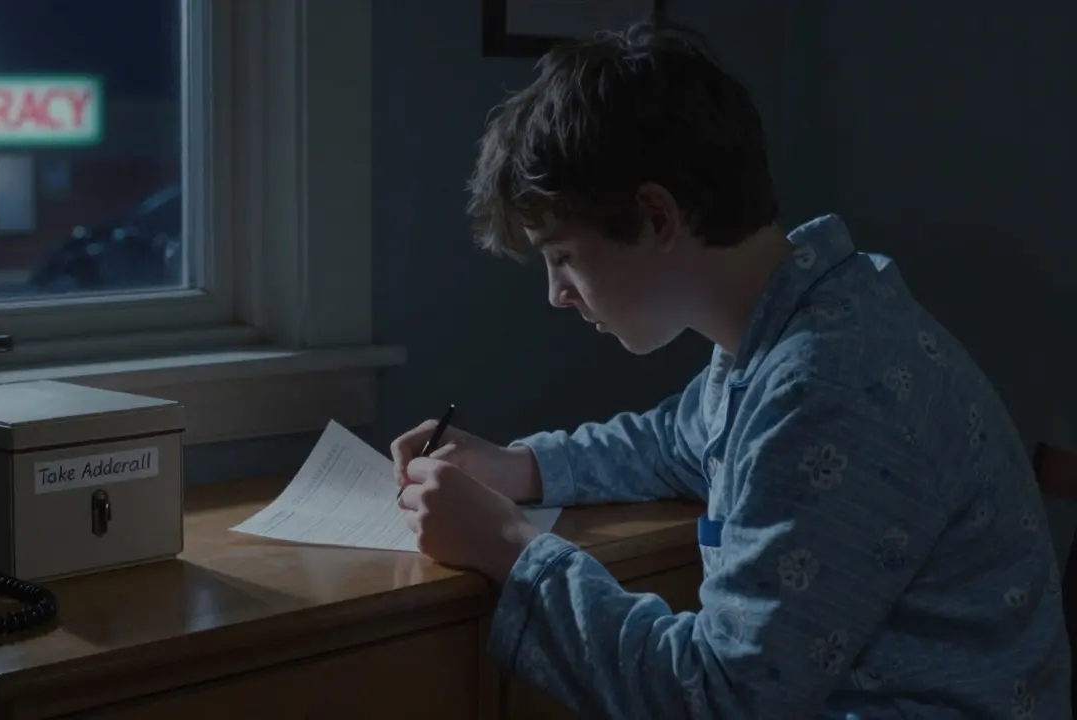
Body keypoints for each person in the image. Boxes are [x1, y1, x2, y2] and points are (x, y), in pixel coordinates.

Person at [390, 21, 1069, 719]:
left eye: (562, 255)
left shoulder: (825, 384)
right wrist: (518, 467)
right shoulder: (795, 324)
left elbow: (718, 700)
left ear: (657, 217)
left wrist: (507, 545)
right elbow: (672, 440)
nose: (557, 293)